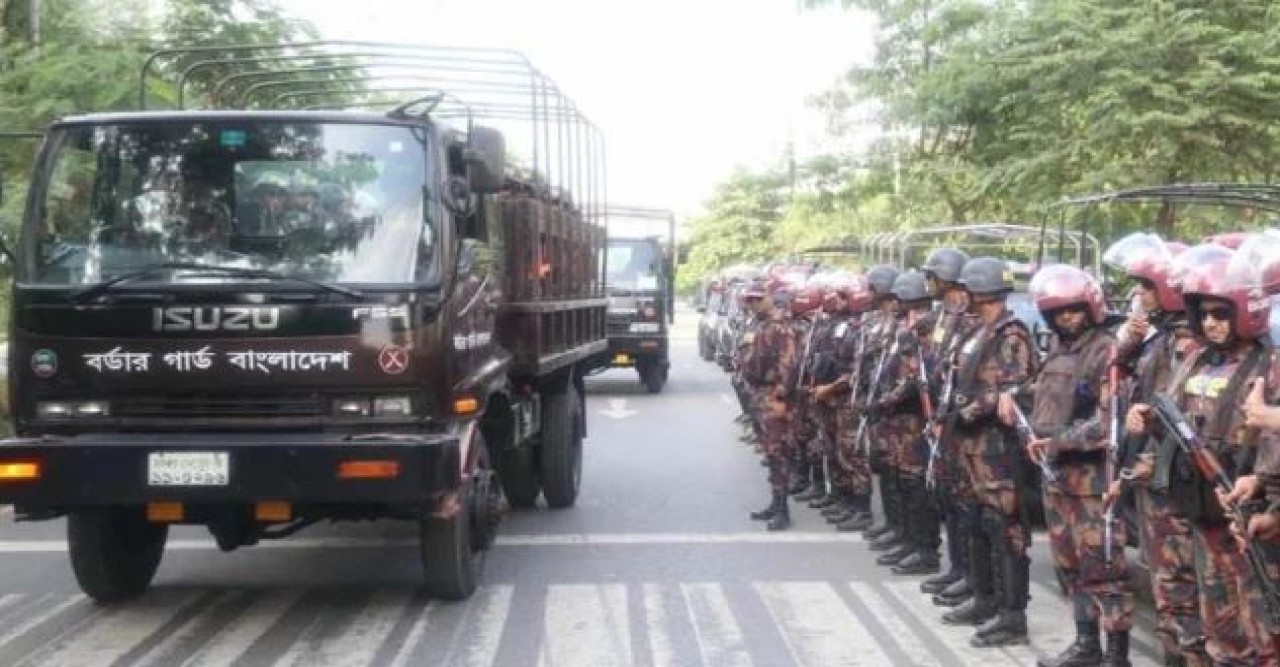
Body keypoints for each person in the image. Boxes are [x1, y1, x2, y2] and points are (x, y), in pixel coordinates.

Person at [1126, 243, 1278, 665]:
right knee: (1217, 627)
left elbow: (1272, 440)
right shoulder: (1195, 360)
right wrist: (1146, 415)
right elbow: (1173, 412)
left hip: (1247, 512)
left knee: (1261, 630)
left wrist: (1266, 491)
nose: (1210, 323)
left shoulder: (1268, 364)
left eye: (1221, 313)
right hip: (1200, 510)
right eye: (1204, 313)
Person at [1012, 264, 1133, 666]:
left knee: (1106, 572)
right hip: (1057, 476)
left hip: (1093, 481)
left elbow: (1109, 421)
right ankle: (1087, 646)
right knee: (1071, 566)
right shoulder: (1059, 350)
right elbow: (1046, 398)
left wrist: (1058, 441)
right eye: (1059, 312)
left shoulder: (1107, 351)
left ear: (1091, 307)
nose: (1067, 318)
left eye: (1074, 310)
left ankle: (1116, 656)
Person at [1103, 233, 1208, 666]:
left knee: (1184, 595)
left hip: (1175, 484)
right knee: (1169, 594)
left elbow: (1184, 415)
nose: (1137, 294)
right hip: (1152, 479)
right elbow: (1120, 373)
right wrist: (1130, 337)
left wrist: (1147, 422)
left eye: (1145, 286)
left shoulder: (1189, 344)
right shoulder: (1162, 339)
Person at [940, 256, 1037, 649]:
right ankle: (985, 600)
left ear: (979, 291)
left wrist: (965, 412)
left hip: (996, 449)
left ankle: (1012, 617)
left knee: (1005, 529)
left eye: (966, 289)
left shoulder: (1011, 335)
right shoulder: (979, 331)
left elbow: (1015, 389)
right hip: (971, 447)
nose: (960, 295)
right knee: (977, 521)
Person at [866, 269, 942, 574]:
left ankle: (924, 549)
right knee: (896, 477)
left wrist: (886, 400)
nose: (893, 303)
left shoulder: (926, 325)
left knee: (915, 484)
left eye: (899, 298)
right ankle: (904, 537)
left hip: (912, 418)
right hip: (895, 419)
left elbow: (918, 377)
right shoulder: (901, 326)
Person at [918, 247, 981, 605]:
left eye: (934, 275)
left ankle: (972, 578)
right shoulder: (944, 315)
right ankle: (958, 570)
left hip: (962, 424)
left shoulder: (968, 319)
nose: (929, 281)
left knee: (967, 505)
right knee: (951, 499)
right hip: (943, 420)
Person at [811, 273, 878, 531]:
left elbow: (856, 372)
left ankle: (861, 509)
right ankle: (845, 500)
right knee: (835, 451)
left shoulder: (860, 329)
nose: (834, 300)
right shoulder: (835, 325)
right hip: (830, 399)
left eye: (841, 296)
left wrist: (830, 388)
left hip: (848, 400)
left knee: (853, 455)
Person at [742, 277, 800, 531]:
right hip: (758, 394)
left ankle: (783, 510)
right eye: (750, 299)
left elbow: (788, 364)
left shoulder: (780, 326)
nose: (754, 303)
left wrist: (781, 398)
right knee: (769, 452)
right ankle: (775, 504)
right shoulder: (756, 324)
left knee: (779, 454)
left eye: (758, 298)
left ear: (769, 298)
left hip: (773, 395)